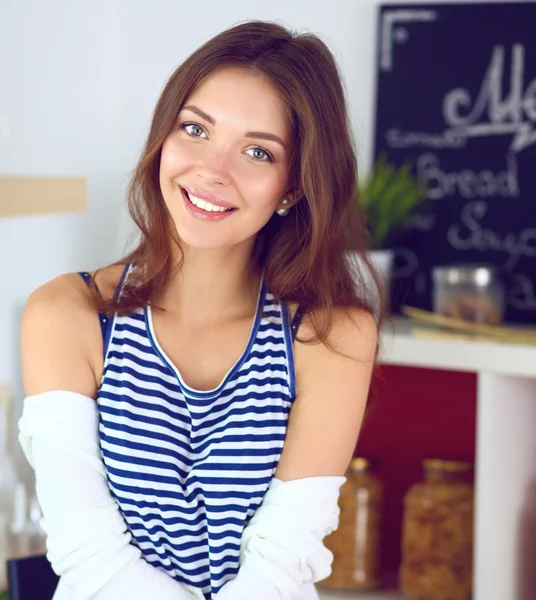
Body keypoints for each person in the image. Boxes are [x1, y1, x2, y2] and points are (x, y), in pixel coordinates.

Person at [18, 19, 381, 600]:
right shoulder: (67, 314)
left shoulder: (331, 336)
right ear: (164, 137)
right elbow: (90, 558)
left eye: (258, 151)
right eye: (195, 129)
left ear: (293, 187)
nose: (213, 171)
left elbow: (281, 563)